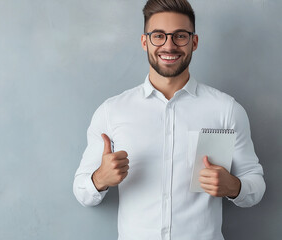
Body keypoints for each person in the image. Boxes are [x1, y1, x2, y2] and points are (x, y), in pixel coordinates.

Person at [73, 0, 266, 239]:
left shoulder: (226, 110)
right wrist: (100, 178)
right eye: (158, 36)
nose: (169, 45)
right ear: (145, 42)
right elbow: (81, 191)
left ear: (194, 42)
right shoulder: (112, 111)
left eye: (180, 36)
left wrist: (235, 187)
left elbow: (255, 182)